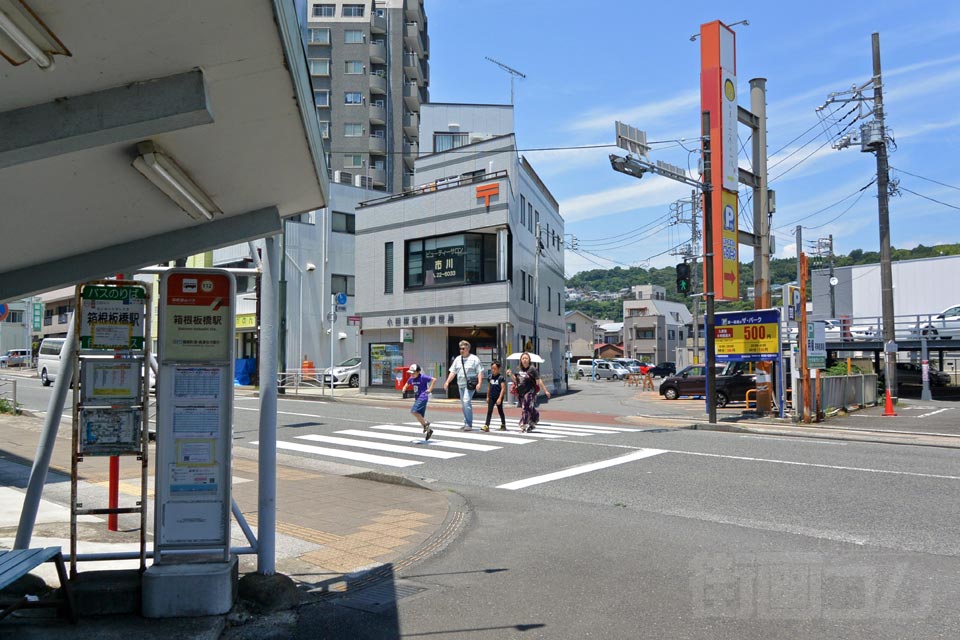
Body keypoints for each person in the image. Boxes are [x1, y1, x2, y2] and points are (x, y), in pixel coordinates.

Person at [444, 340, 483, 431]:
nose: (461, 350)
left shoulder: (474, 359)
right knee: (464, 404)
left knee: (466, 401)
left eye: (463, 348)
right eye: (460, 348)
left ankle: (469, 424)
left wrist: (479, 383)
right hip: (460, 384)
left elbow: (480, 372)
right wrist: (447, 382)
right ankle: (466, 422)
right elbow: (453, 372)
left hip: (469, 385)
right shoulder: (457, 359)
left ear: (468, 349)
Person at [512, 352, 550, 432]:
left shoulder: (532, 369)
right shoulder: (518, 369)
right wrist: (510, 375)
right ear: (521, 360)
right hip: (521, 391)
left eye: (526, 358)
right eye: (523, 358)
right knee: (527, 407)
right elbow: (516, 380)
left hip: (530, 391)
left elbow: (539, 380)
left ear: (529, 360)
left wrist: (545, 390)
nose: (524, 360)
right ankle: (534, 417)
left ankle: (524, 423)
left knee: (526, 406)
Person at [402, 364, 435, 440]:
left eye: (413, 373)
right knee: (419, 416)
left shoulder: (422, 377)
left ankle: (426, 424)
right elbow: (407, 383)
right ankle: (429, 430)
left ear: (418, 372)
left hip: (423, 397)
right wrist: (404, 388)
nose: (412, 374)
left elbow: (434, 379)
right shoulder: (412, 378)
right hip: (417, 398)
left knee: (414, 411)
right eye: (410, 373)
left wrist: (430, 389)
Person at [482, 361, 507, 432]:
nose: (493, 370)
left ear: (498, 369)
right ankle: (486, 425)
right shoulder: (490, 377)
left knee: (500, 411)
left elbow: (503, 388)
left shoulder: (500, 378)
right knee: (489, 411)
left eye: (495, 368)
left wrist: (500, 398)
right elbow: (489, 387)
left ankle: (503, 424)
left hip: (498, 397)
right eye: (492, 368)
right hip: (491, 397)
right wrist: (487, 397)